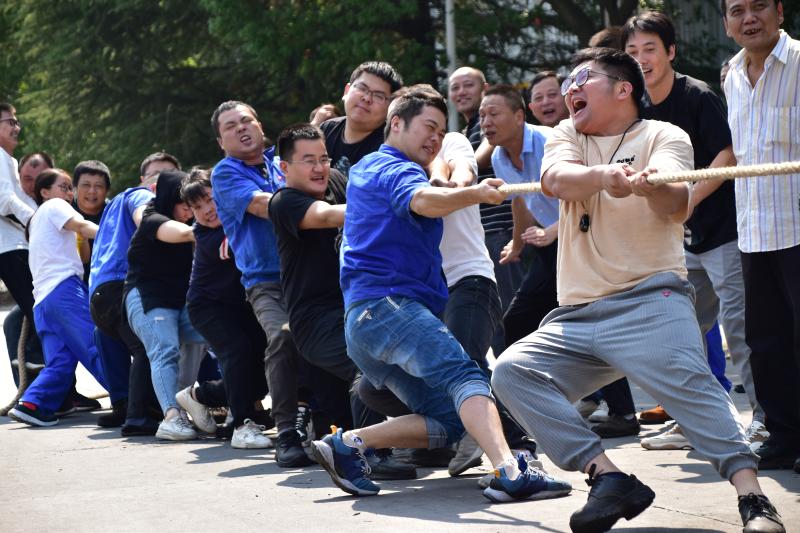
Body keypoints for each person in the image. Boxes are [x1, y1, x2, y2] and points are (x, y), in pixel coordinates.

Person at [491, 47, 785, 533]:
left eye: (582, 78)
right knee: (512, 372)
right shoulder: (567, 134)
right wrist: (605, 177)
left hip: (651, 299)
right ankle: (608, 478)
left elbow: (677, 203)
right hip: (577, 314)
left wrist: (653, 188)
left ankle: (753, 498)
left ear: (623, 88)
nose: (570, 89)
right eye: (568, 82)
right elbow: (556, 180)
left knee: (693, 384)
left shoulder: (663, 135)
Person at [311, 84, 572, 502]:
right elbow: (422, 200)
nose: (435, 138)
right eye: (428, 127)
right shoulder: (392, 166)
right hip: (389, 307)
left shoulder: (369, 168)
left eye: (440, 130)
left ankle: (348, 445)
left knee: (449, 419)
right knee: (465, 375)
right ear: (397, 124)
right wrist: (476, 193)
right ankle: (511, 470)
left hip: (366, 322)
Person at [623, 11, 766, 450]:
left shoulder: (697, 95)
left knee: (741, 330)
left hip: (724, 231)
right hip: (677, 240)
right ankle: (697, 422)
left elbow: (727, 155)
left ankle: (765, 422)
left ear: (670, 51)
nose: (642, 59)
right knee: (679, 335)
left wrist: (688, 200)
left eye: (650, 49)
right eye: (632, 51)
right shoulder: (636, 107)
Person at [268, 123, 414, 478]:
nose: (320, 168)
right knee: (367, 364)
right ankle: (369, 453)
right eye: (308, 161)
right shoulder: (284, 202)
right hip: (315, 321)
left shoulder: (335, 181)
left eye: (324, 158)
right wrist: (394, 203)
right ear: (284, 168)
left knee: (410, 367)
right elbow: (328, 215)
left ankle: (430, 437)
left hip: (355, 309)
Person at [721, 0, 800, 475]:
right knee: (766, 342)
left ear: (780, 11)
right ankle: (784, 436)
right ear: (727, 24)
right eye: (737, 10)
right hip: (753, 230)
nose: (749, 18)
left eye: (759, 6)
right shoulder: (730, 75)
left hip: (798, 225)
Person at [210, 100, 311, 467]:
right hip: (265, 282)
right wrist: (315, 209)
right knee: (283, 336)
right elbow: (262, 205)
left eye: (246, 120)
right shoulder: (225, 173)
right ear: (221, 141)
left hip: (310, 274)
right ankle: (286, 432)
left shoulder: (283, 161)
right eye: (230, 126)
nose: (241, 128)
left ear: (260, 125)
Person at [177, 169, 272, 448]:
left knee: (264, 368)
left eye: (210, 199)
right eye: (197, 207)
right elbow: (240, 244)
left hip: (242, 306)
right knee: (237, 352)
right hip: (208, 307)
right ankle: (242, 424)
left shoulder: (237, 219)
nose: (207, 210)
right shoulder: (207, 236)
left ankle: (199, 395)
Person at [8, 169, 107, 426]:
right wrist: (116, 234)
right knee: (95, 345)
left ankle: (32, 404)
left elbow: (83, 256)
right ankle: (132, 400)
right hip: (64, 292)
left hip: (43, 302)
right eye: (64, 187)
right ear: (45, 192)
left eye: (69, 189)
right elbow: (83, 226)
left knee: (60, 361)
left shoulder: (37, 222)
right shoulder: (55, 205)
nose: (69, 193)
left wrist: (80, 235)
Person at [89, 152, 179, 433]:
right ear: (143, 180)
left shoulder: (113, 205)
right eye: (155, 175)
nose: (160, 182)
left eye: (168, 176)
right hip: (122, 285)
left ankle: (125, 405)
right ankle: (139, 416)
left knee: (110, 337)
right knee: (149, 344)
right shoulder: (141, 196)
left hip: (100, 293)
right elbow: (145, 218)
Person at [123, 169, 206, 441]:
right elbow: (179, 233)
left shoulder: (191, 226)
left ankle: (195, 401)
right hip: (148, 298)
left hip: (181, 302)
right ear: (170, 200)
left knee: (219, 335)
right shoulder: (153, 219)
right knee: (164, 349)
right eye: (186, 205)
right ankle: (172, 416)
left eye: (194, 206)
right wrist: (211, 227)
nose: (191, 212)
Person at [447, 69, 523, 357]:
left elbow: (476, 162)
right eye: (455, 87)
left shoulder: (489, 125)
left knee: (513, 312)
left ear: (485, 89)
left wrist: (458, 161)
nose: (461, 92)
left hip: (504, 229)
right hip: (484, 232)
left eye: (468, 85)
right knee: (500, 316)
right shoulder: (467, 131)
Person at [319, 61, 403, 177]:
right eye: (362, 88)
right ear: (346, 91)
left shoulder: (391, 147)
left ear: (390, 106)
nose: (367, 98)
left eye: (378, 96)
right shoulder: (326, 130)